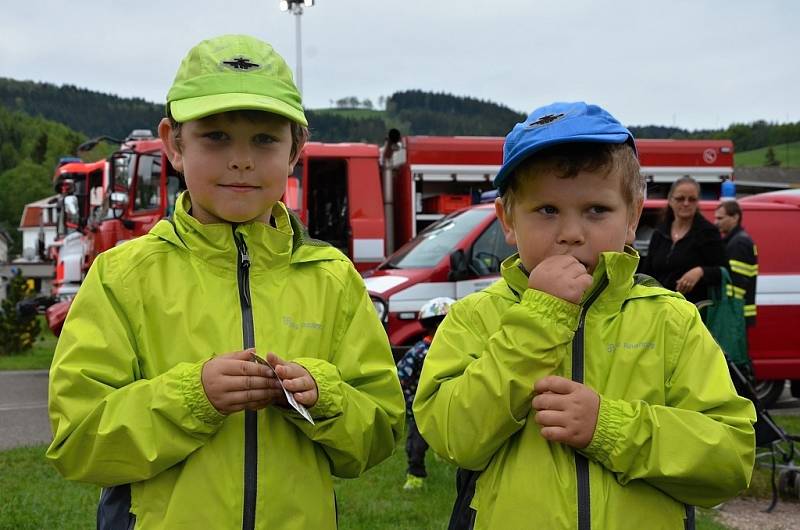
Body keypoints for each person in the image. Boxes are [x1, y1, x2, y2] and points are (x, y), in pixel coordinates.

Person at [46, 34, 404, 530]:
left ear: (296, 147)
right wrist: (193, 397)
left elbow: (382, 430)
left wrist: (324, 397)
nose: (242, 159)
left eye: (264, 139)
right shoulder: (121, 276)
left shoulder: (332, 278)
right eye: (215, 136)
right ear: (174, 143)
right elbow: (79, 440)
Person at [413, 102, 756, 529]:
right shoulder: (474, 318)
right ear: (508, 221)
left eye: (597, 210)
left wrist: (608, 427)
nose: (572, 233)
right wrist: (537, 319)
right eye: (547, 210)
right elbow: (454, 438)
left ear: (632, 216)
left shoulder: (671, 321)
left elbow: (730, 459)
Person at [638, 175, 728, 304]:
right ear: (670, 200)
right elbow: (647, 272)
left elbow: (723, 271)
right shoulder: (660, 233)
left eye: (692, 199)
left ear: (697, 202)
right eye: (680, 199)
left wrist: (701, 271)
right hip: (660, 307)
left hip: (693, 311)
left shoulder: (707, 232)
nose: (686, 203)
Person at [396, 296, 454, 490]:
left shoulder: (455, 350)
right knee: (417, 444)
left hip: (447, 405)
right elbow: (401, 375)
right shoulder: (420, 351)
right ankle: (415, 474)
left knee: (451, 433)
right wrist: (408, 398)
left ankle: (444, 452)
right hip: (421, 408)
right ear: (435, 326)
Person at [715, 200, 758, 327]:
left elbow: (736, 285)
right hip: (737, 312)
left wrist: (726, 312)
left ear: (735, 217)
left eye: (720, 218)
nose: (716, 222)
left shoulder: (739, 243)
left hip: (735, 312)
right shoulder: (735, 240)